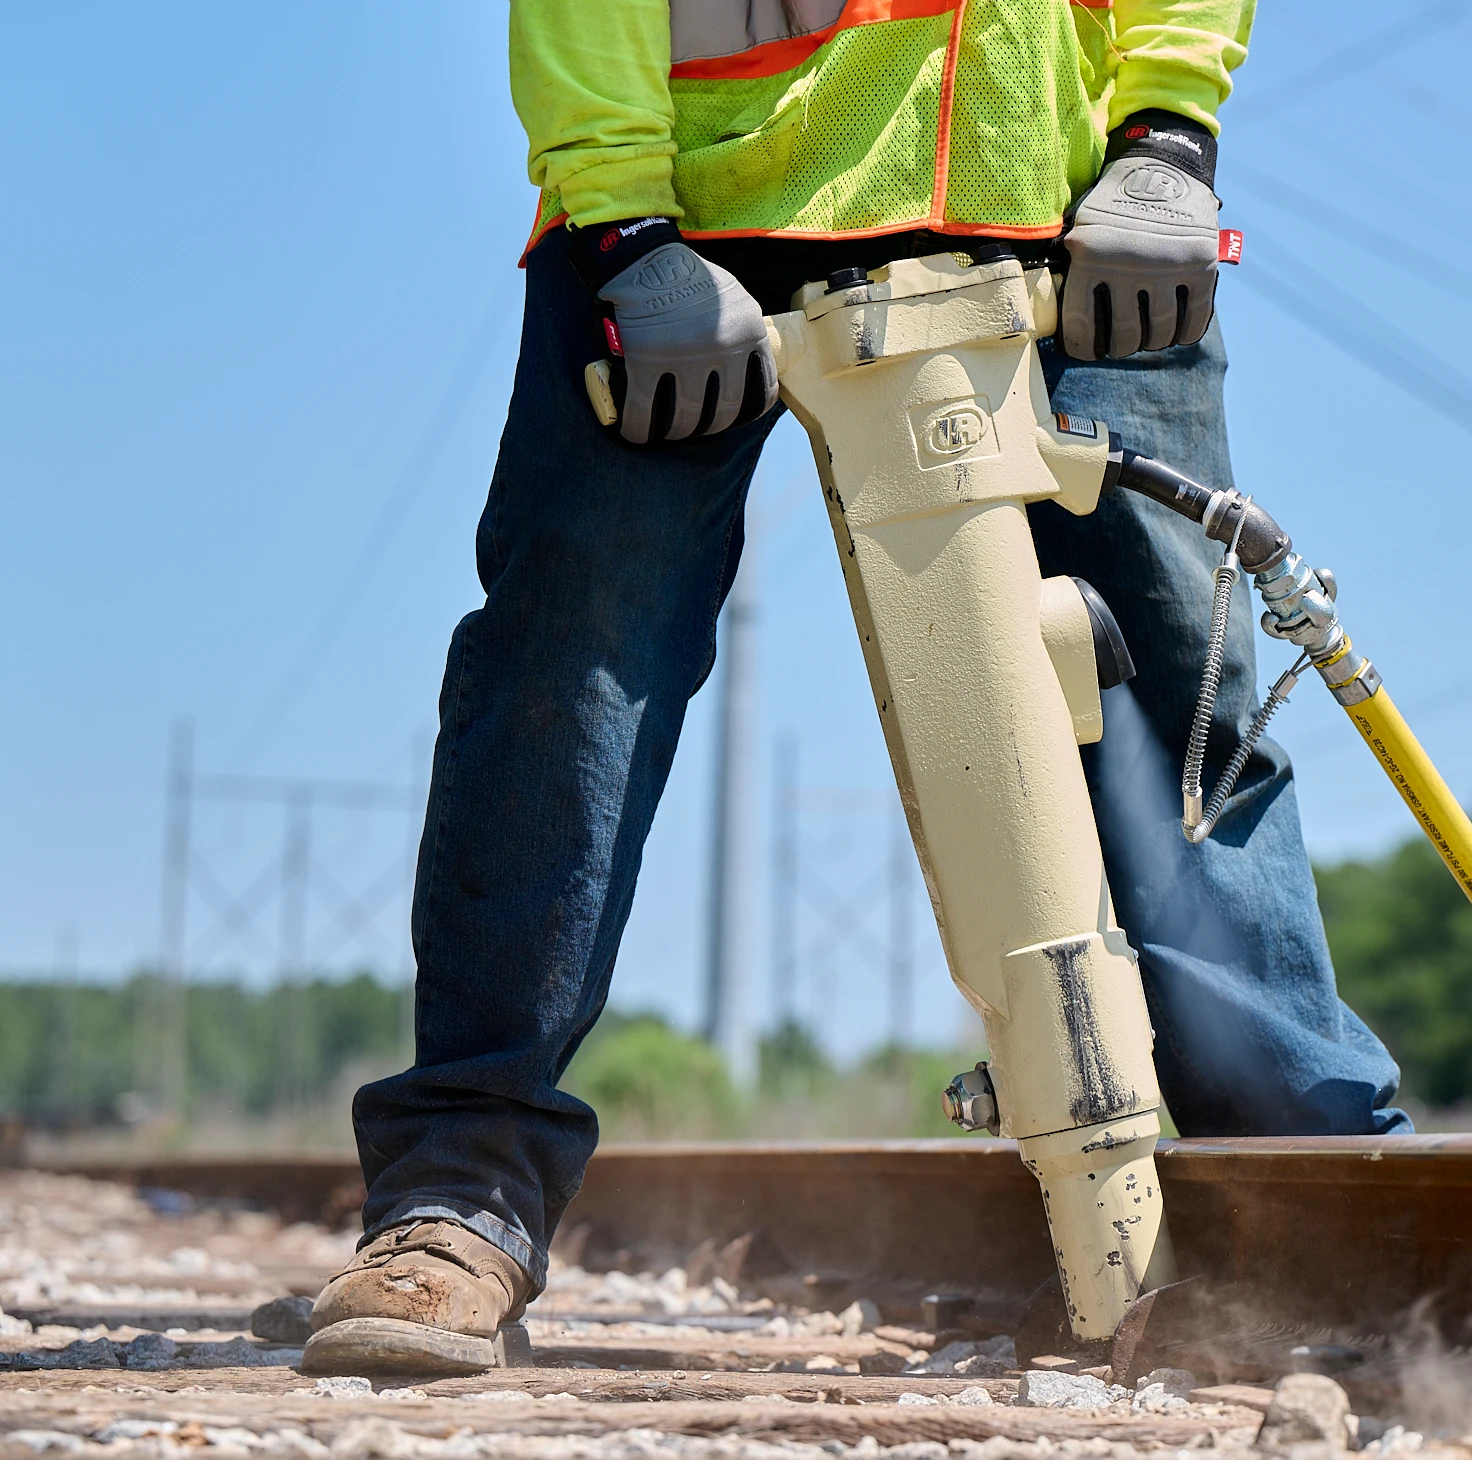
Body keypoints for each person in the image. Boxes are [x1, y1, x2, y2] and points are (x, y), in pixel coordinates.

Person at [305, 0, 1409, 1376]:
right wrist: (621, 221)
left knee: (1176, 679)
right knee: (565, 678)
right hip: (697, 204)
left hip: (1051, 183)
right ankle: (459, 1194)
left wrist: (1168, 135)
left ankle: (1295, 1196)